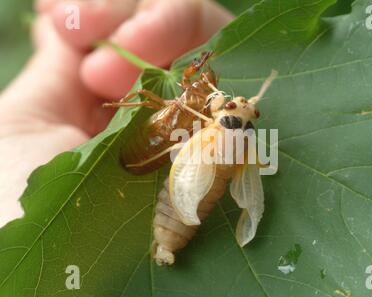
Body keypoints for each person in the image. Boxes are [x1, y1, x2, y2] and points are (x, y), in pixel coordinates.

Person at [0, 0, 233, 227]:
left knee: (142, 92)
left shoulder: (194, 99)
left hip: (159, 136)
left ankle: (122, 104)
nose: (201, 81)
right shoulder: (204, 111)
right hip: (159, 140)